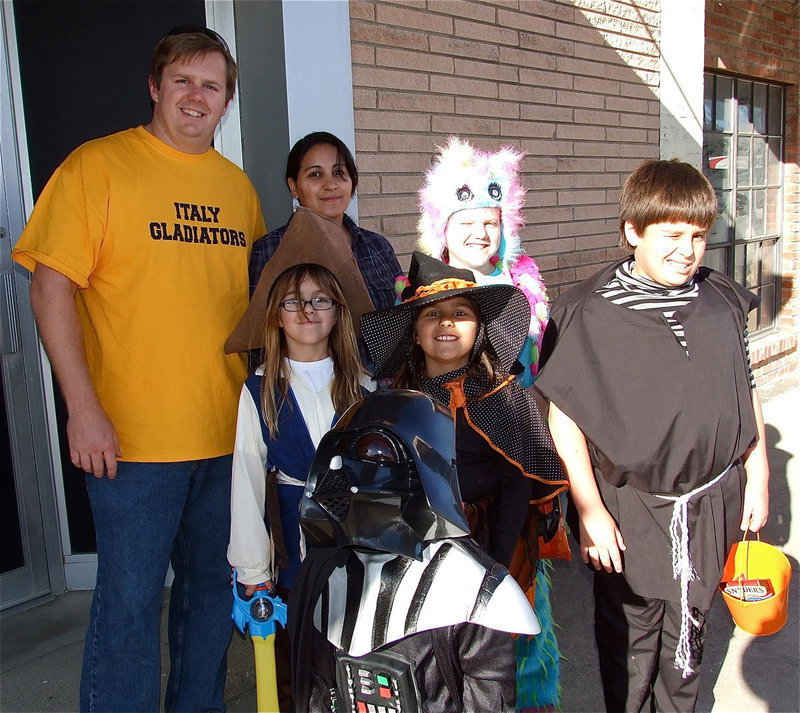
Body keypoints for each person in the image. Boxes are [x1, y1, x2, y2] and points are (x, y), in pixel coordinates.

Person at [12, 26, 265, 713]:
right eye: (181, 81)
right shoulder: (99, 166)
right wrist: (82, 408)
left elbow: (244, 313)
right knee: (128, 609)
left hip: (224, 435)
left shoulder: (237, 189)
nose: (195, 96)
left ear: (226, 103)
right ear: (154, 87)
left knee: (210, 599)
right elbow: (49, 287)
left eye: (211, 86)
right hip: (131, 443)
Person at [535, 159, 770, 713]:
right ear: (631, 232)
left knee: (690, 625)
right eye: (671, 235)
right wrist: (590, 510)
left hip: (710, 498)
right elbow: (565, 418)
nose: (687, 251)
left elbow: (747, 386)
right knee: (632, 636)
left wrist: (757, 477)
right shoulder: (588, 314)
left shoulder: (720, 301)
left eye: (698, 236)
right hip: (630, 505)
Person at [360, 252, 568, 708]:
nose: (446, 323)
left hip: (492, 538)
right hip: (419, 546)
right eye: (431, 315)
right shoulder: (396, 401)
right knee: (429, 651)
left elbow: (518, 482)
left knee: (486, 658)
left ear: (478, 330)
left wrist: (496, 562)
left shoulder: (504, 394)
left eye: (460, 313)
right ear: (414, 333)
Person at [290, 388, 541, 713]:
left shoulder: (474, 590)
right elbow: (320, 693)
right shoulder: (325, 575)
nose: (349, 467)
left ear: (420, 464)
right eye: (343, 450)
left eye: (376, 452)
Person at [226, 208, 373, 711]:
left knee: (354, 662)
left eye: (319, 301)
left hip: (357, 547)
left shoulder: (362, 386)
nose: (307, 312)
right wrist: (252, 567)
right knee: (296, 670)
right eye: (293, 302)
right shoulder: (260, 389)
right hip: (292, 542)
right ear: (275, 314)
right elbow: (245, 479)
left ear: (337, 311)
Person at [417, 135, 549, 387]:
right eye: (466, 223)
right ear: (442, 229)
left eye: (490, 223)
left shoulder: (524, 287)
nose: (480, 233)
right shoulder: (421, 287)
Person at [249, 131, 402, 311]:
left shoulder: (378, 247)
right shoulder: (269, 251)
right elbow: (259, 332)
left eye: (338, 172)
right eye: (315, 174)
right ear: (294, 187)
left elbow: (404, 315)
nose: (330, 184)